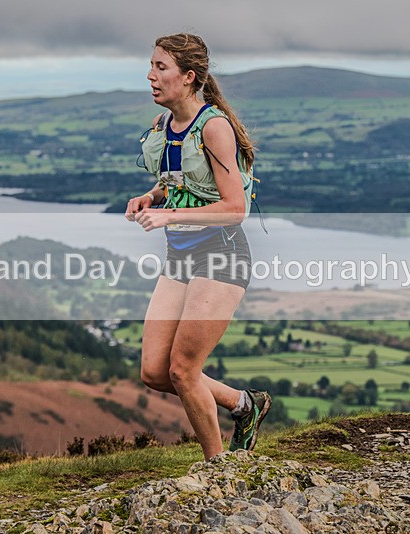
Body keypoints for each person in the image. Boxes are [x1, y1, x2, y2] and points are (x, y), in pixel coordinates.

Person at [125, 33, 271, 461]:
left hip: (222, 255)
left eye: (161, 68)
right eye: (151, 66)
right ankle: (246, 405)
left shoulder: (214, 127)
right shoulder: (165, 126)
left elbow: (234, 208)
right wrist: (152, 197)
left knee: (183, 369)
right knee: (155, 371)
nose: (151, 76)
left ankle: (216, 469)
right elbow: (180, 182)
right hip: (181, 258)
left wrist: (169, 216)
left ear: (189, 77)